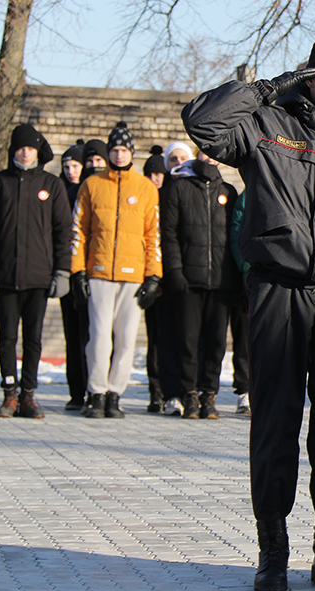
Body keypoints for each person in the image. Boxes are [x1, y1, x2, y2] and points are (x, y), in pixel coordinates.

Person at [183, 33, 315, 591]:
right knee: (275, 421)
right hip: (279, 295)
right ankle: (272, 550)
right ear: (312, 78)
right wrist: (264, 88)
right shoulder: (268, 128)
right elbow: (203, 124)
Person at [0, 124, 71, 418]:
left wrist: (62, 272)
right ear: (13, 151)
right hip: (4, 276)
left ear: (37, 151)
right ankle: (9, 394)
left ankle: (28, 394)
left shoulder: (51, 185)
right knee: (6, 338)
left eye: (30, 147)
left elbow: (63, 231)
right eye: (20, 147)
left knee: (33, 338)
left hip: (38, 277)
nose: (25, 152)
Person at [71, 121, 162, 419]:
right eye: (115, 150)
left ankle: (114, 393)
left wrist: (153, 276)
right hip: (98, 271)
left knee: (126, 337)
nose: (119, 155)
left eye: (124, 150)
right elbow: (79, 231)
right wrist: (77, 271)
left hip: (133, 275)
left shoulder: (146, 188)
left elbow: (153, 235)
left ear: (131, 152)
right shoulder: (92, 184)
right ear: (109, 152)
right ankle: (95, 392)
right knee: (98, 336)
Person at [161, 150, 239, 419]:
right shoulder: (179, 189)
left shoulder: (228, 192)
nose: (209, 158)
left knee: (217, 342)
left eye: (214, 154)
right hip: (188, 281)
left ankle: (209, 395)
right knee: (188, 340)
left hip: (221, 281)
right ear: (196, 156)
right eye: (204, 153)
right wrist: (175, 271)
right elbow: (168, 233)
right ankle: (189, 394)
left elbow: (235, 238)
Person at [61, 139, 108, 413]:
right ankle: (77, 391)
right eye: (88, 161)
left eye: (97, 160)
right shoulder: (70, 193)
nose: (93, 166)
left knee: (100, 335)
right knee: (76, 335)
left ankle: (98, 390)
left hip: (103, 274)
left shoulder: (111, 192)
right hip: (75, 273)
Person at [142, 145, 169, 413]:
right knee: (153, 339)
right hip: (149, 279)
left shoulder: (171, 198)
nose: (155, 179)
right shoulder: (142, 200)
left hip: (172, 279)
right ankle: (155, 391)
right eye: (151, 175)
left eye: (159, 174)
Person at [228, 189, 252, 415]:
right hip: (252, 276)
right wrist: (246, 267)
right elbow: (237, 231)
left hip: (283, 277)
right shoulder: (248, 195)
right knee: (246, 339)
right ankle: (244, 389)